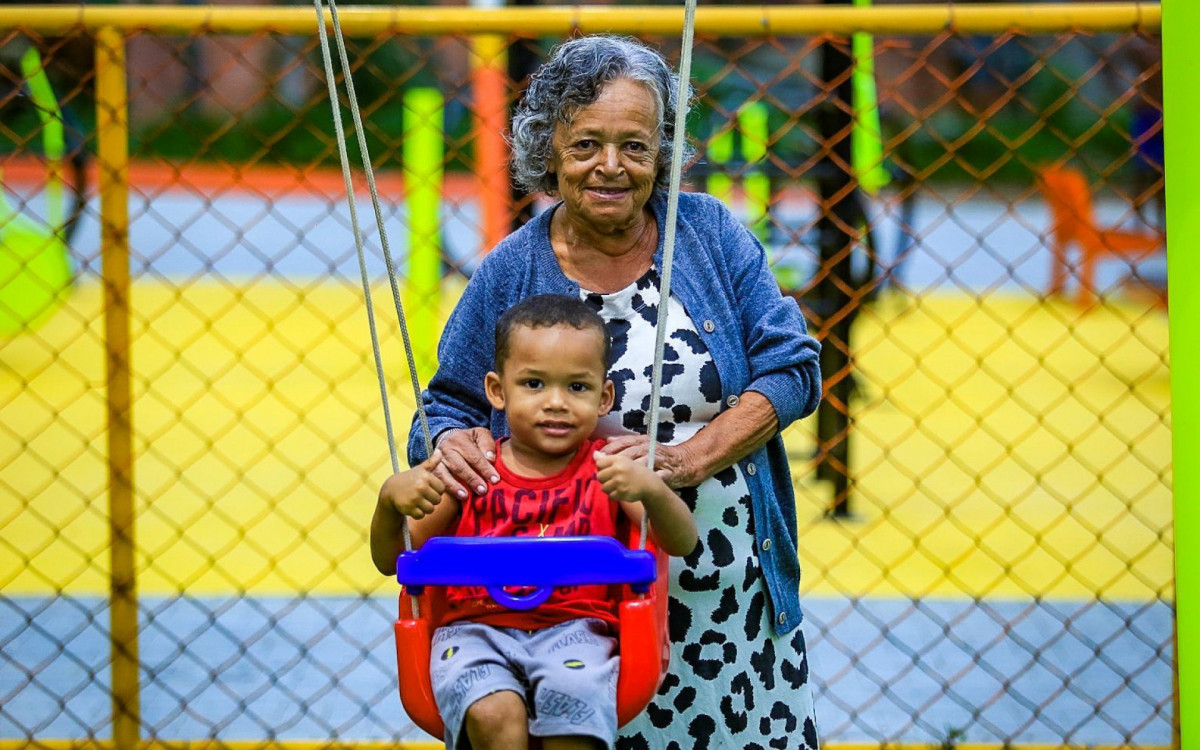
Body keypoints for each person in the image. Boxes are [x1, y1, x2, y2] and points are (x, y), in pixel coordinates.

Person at [407, 35, 823, 749]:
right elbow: (444, 405)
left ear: (662, 151)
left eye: (635, 145)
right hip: (564, 616)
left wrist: (692, 458)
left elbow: (793, 369)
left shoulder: (711, 235)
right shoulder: (510, 269)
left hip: (723, 598)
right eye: (586, 145)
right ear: (549, 151)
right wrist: (455, 442)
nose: (611, 166)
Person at [373, 294, 698, 750]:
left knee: (574, 704)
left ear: (605, 397)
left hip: (577, 634)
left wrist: (652, 490)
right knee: (493, 711)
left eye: (577, 388)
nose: (556, 403)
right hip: (474, 634)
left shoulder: (609, 472)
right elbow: (393, 561)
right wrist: (389, 503)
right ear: (497, 391)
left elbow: (681, 541)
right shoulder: (473, 472)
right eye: (534, 384)